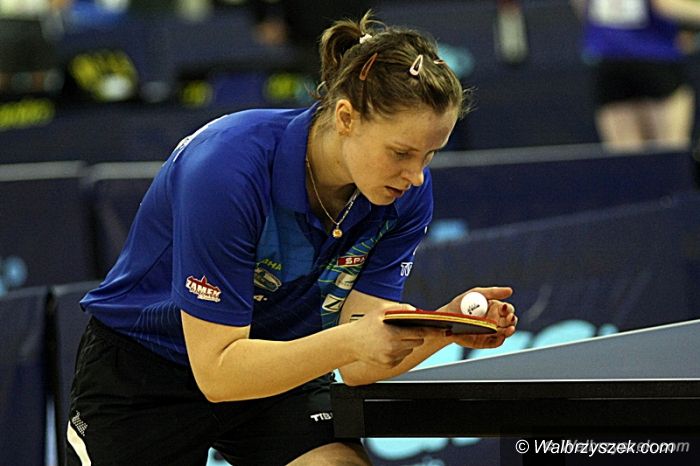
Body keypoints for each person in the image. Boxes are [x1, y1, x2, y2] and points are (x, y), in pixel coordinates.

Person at [66, 10, 518, 466]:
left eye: (429, 155)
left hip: (282, 363)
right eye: (401, 152)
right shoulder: (227, 171)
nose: (416, 175)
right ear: (346, 117)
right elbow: (219, 372)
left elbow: (358, 362)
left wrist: (444, 326)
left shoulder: (404, 196)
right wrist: (350, 341)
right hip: (148, 368)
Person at [572, 0, 700, 151]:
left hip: (608, 59)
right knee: (669, 150)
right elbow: (664, 5)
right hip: (654, 57)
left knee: (627, 156)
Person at [0, 0, 72, 95]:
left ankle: (39, 102)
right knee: (3, 71)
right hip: (6, 20)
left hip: (39, 20)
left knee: (39, 72)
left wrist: (48, 6)